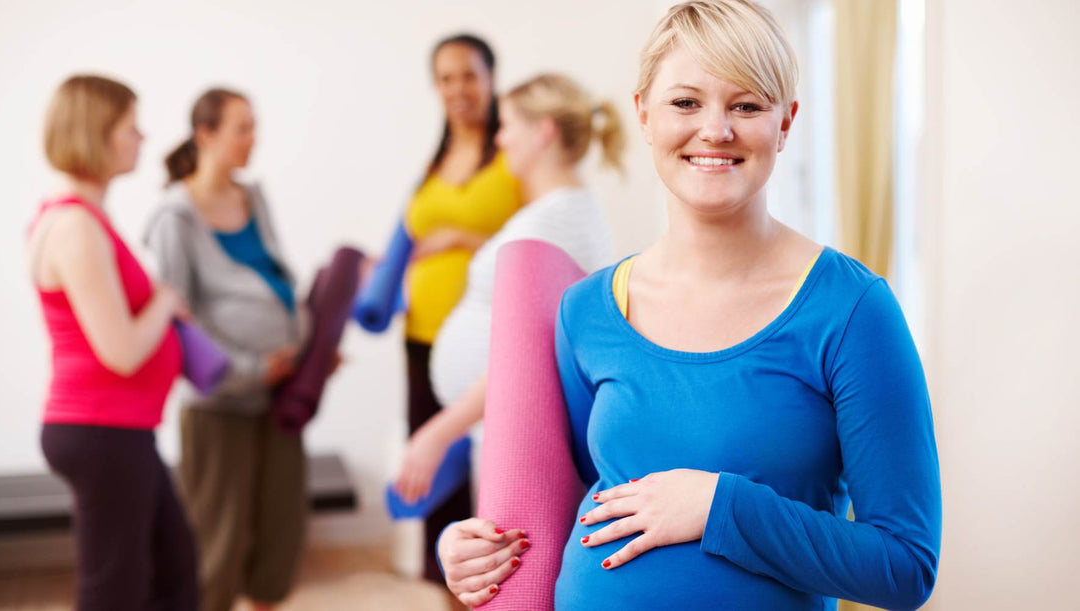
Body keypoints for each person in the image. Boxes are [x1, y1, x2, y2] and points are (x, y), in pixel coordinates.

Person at [436, 2, 942, 609]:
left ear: (785, 124)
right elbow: (560, 495)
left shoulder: (853, 310)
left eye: (747, 105)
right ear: (644, 114)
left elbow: (906, 568)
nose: (715, 129)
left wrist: (717, 506)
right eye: (685, 102)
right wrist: (466, 548)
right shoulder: (586, 311)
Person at [395, 73, 624, 512]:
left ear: (543, 132)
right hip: (505, 425)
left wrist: (437, 431)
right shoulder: (559, 213)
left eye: (507, 125)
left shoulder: (553, 222)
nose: (499, 140)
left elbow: (529, 353)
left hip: (516, 428)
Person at [145, 88, 327, 611]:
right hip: (220, 407)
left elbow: (277, 281)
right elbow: (177, 320)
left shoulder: (254, 197)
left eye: (254, 126)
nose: (253, 139)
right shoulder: (174, 218)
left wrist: (309, 349)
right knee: (215, 549)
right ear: (205, 135)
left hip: (280, 397)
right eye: (241, 128)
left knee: (278, 540)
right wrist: (251, 370)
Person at [27, 74, 197, 610]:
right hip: (102, 430)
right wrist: (165, 302)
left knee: (173, 571)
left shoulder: (85, 219)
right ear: (96, 133)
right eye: (131, 127)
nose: (142, 139)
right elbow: (121, 351)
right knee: (116, 591)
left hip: (119, 429)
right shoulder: (76, 227)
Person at [400, 33, 523, 583]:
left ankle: (494, 583)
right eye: (446, 77)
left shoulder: (514, 153)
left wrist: (462, 238)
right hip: (421, 335)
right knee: (431, 468)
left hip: (491, 344)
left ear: (491, 78)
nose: (458, 88)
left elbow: (533, 244)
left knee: (488, 471)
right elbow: (413, 238)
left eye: (468, 75)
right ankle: (442, 584)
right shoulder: (435, 158)